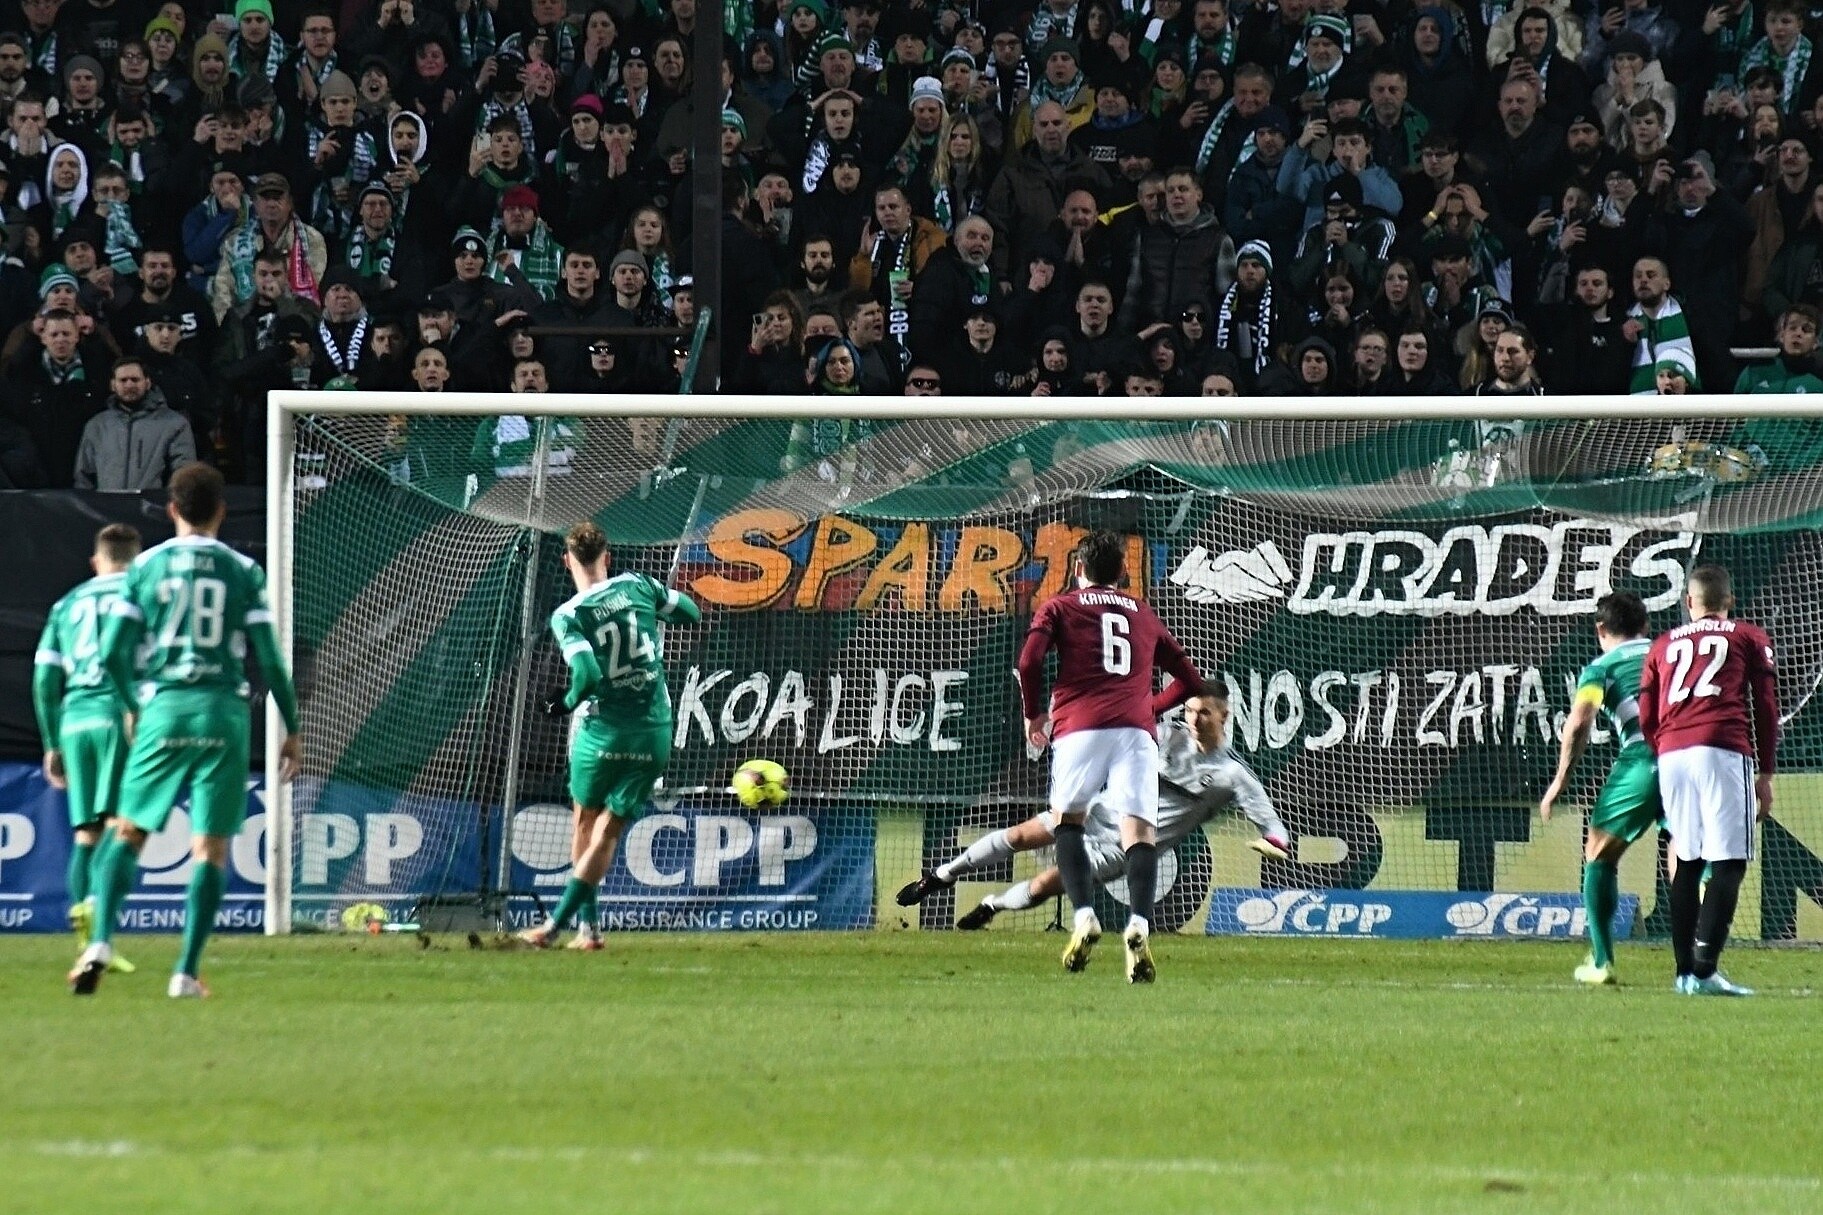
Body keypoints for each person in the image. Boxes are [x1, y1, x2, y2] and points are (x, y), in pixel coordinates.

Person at [71, 463, 303, 997]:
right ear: (221, 510)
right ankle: (185, 972)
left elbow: (113, 653)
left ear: (172, 508)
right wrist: (292, 728)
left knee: (128, 831)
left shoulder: (145, 567)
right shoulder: (243, 570)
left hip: (165, 708)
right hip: (222, 712)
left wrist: (132, 705)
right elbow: (270, 660)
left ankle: (100, 942)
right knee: (210, 849)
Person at [898, 682, 1290, 927]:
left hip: (1123, 850)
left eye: (1204, 712)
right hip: (1096, 814)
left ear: (1224, 715)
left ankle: (992, 905)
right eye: (1189, 710)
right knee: (1018, 836)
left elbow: (1274, 828)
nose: (1195, 718)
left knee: (1044, 885)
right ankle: (941, 876)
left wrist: (1273, 843)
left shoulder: (1232, 775)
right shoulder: (1166, 735)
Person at [1015, 530, 1204, 982]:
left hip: (1079, 728)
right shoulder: (1142, 612)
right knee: (1139, 833)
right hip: (1136, 734)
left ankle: (1084, 916)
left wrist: (1033, 714)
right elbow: (1191, 680)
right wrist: (1149, 707)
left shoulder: (1059, 606)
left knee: (1067, 822)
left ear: (1078, 569)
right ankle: (1138, 925)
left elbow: (1028, 662)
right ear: (1122, 572)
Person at [517, 521, 702, 950]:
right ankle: (584, 934)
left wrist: (562, 703)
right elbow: (690, 613)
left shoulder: (569, 615)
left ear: (567, 561)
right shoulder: (638, 585)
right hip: (653, 732)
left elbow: (586, 675)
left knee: (584, 822)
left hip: (601, 733)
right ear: (608, 557)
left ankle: (568, 928)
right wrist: (655, 609)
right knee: (608, 832)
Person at [1637, 565, 1779, 997]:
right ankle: (1704, 970)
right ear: (1729, 601)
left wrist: (1662, 748)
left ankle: (1684, 972)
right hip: (1722, 747)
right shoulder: (1748, 636)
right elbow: (1766, 705)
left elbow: (1646, 715)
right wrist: (1766, 772)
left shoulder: (1662, 645)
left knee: (1688, 860)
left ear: (1689, 603)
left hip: (1672, 754)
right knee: (1730, 862)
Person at [34, 524, 143, 974]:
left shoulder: (66, 604)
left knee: (86, 833)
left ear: (96, 561)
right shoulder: (141, 594)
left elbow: (44, 679)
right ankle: (100, 923)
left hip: (75, 720)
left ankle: (85, 933)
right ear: (135, 560)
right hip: (120, 716)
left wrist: (51, 742)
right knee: (123, 826)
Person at [1538, 592, 1657, 986]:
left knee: (1599, 854)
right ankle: (1699, 958)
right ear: (1645, 626)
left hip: (1643, 760)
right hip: (1690, 758)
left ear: (1600, 629)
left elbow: (1580, 721)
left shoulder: (1600, 669)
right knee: (1687, 856)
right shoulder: (1668, 651)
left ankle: (1602, 961)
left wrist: (1560, 780)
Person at [73, 357, 198, 490]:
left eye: (135, 379)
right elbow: (83, 477)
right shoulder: (97, 425)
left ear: (147, 383)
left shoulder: (174, 424)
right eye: (123, 380)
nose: (129, 385)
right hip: (106, 503)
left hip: (154, 503)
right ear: (113, 385)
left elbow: (184, 475)